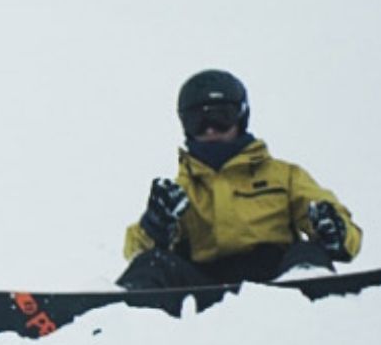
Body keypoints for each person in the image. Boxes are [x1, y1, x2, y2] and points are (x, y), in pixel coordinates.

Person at [120, 69, 362, 289]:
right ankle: (120, 312)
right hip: (202, 286)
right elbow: (134, 250)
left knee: (308, 253)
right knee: (154, 263)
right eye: (198, 121)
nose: (210, 129)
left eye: (221, 117)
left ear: (241, 117)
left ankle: (309, 290)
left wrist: (334, 232)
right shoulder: (180, 192)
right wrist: (154, 227)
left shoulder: (284, 176)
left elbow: (343, 227)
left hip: (276, 281)